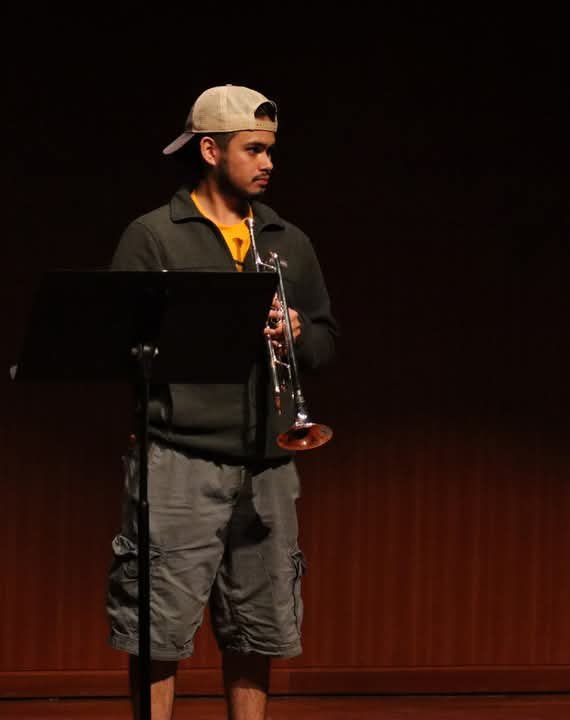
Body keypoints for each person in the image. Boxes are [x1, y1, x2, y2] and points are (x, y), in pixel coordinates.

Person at [104, 84, 338, 720]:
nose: (268, 162)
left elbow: (324, 341)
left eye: (271, 150)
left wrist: (295, 329)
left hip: (268, 461)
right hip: (180, 459)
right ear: (210, 150)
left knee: (257, 629)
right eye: (253, 149)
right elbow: (116, 345)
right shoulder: (154, 237)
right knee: (157, 630)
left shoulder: (289, 240)